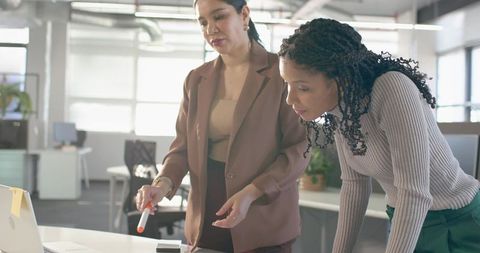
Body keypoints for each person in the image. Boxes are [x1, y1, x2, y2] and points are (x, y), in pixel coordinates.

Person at [278, 18, 480, 253]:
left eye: (303, 88)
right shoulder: (342, 109)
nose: (290, 99)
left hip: (456, 221)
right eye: (288, 86)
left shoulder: (392, 88)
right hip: (406, 215)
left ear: (340, 80)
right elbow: (354, 186)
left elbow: (414, 192)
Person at [136, 0, 309, 252]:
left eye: (219, 17)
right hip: (206, 218)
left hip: (261, 218)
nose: (210, 29)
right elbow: (182, 146)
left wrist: (253, 191)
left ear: (244, 14)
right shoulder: (197, 79)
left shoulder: (280, 74)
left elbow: (298, 148)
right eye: (203, 22)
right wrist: (162, 185)